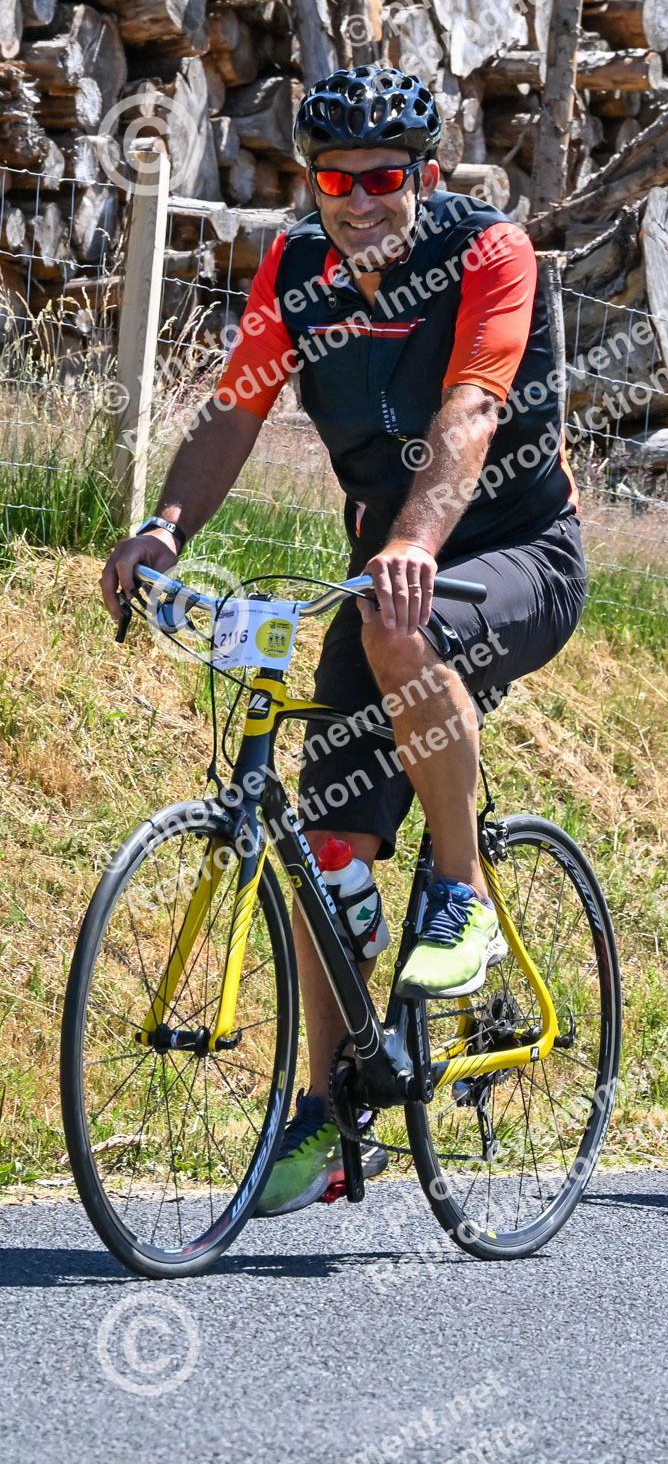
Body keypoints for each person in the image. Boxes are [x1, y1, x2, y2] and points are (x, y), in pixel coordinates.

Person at [99, 66, 585, 1213]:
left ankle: (460, 891)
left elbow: (471, 409)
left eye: (383, 178)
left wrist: (415, 538)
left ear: (425, 173)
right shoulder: (296, 268)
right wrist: (164, 530)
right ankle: (327, 1112)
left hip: (517, 552)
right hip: (384, 575)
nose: (360, 200)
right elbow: (234, 411)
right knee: (327, 847)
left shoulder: (489, 252)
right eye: (336, 180)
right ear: (311, 184)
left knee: (392, 622)